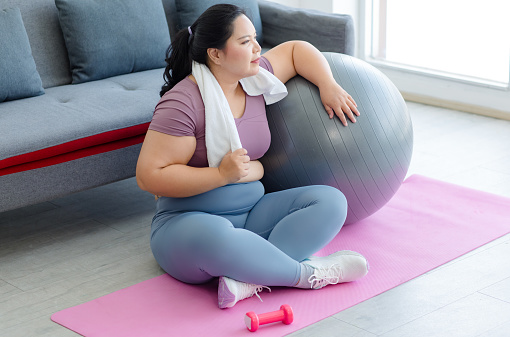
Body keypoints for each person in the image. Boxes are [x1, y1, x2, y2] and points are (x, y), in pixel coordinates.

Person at [136, 4, 368, 309]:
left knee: (331, 201)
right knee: (219, 236)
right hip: (188, 224)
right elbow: (149, 175)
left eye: (255, 38)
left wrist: (328, 84)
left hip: (253, 213)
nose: (257, 48)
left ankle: (249, 278)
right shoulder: (183, 102)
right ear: (215, 54)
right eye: (245, 42)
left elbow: (298, 50)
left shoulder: (254, 78)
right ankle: (309, 275)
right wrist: (221, 175)